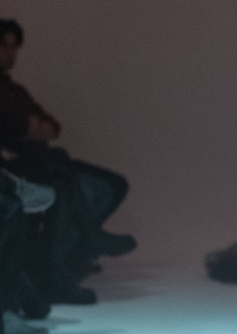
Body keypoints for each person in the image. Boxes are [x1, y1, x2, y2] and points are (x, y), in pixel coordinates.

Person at [0, 19, 135, 303]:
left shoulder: (14, 90)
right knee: (61, 176)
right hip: (18, 164)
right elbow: (11, 128)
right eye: (3, 46)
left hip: (40, 159)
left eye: (13, 47)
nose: (9, 54)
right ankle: (60, 263)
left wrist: (34, 127)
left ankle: (77, 251)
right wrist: (27, 127)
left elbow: (51, 126)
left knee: (112, 184)